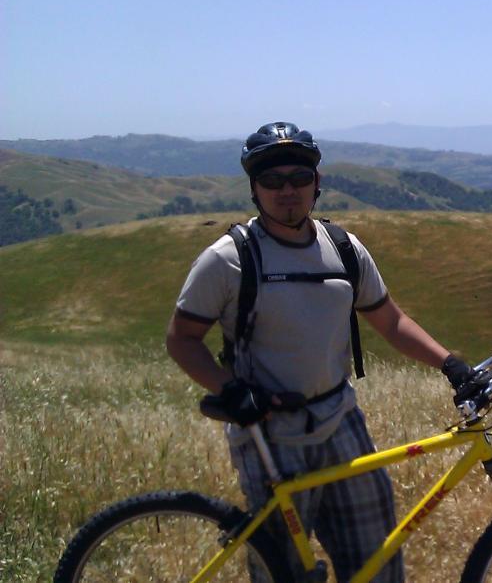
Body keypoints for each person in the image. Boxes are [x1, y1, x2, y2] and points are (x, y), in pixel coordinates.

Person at [165, 121, 474, 582]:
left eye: (298, 179)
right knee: (282, 571)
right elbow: (181, 339)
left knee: (377, 562)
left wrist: (452, 364)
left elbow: (390, 321)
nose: (286, 191)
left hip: (341, 419)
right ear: (254, 188)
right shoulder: (229, 259)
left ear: (317, 183)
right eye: (272, 181)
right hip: (269, 432)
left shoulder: (344, 248)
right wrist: (230, 390)